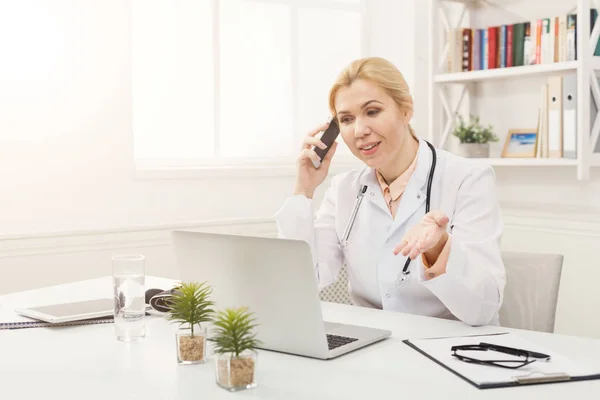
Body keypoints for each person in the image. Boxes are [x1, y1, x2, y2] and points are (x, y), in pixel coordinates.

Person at [274, 57, 506, 327]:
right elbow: (301, 280)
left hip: (451, 349)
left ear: (406, 110)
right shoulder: (344, 190)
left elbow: (483, 308)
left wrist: (440, 248)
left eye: (372, 112)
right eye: (346, 119)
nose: (360, 131)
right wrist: (304, 189)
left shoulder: (468, 179)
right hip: (376, 347)